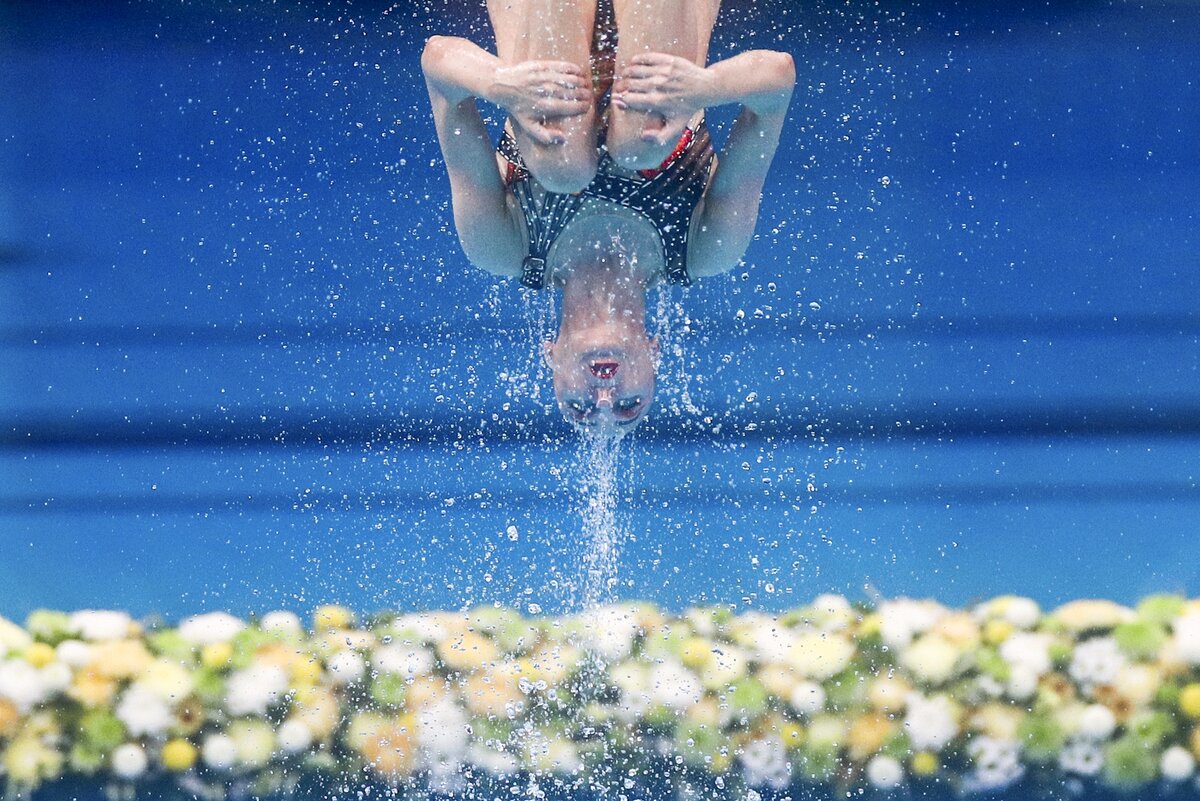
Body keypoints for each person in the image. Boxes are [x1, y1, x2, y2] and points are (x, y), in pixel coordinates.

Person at [421, 0, 795, 432]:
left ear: (550, 355)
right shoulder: (704, 246)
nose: (604, 396)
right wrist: (704, 89)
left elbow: (438, 61)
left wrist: (500, 86)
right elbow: (776, 82)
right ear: (655, 354)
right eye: (628, 405)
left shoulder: (503, 245)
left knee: (564, 167)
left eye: (579, 406)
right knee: (640, 145)